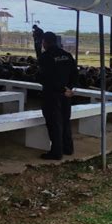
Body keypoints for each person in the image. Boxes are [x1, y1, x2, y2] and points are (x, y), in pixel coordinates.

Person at [37, 31, 78, 160]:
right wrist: (68, 89)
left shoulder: (45, 57)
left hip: (52, 95)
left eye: (43, 42)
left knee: (54, 123)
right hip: (66, 94)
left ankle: (56, 152)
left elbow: (45, 78)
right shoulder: (67, 55)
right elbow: (75, 74)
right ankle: (68, 148)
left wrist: (60, 89)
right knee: (65, 121)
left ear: (45, 42)